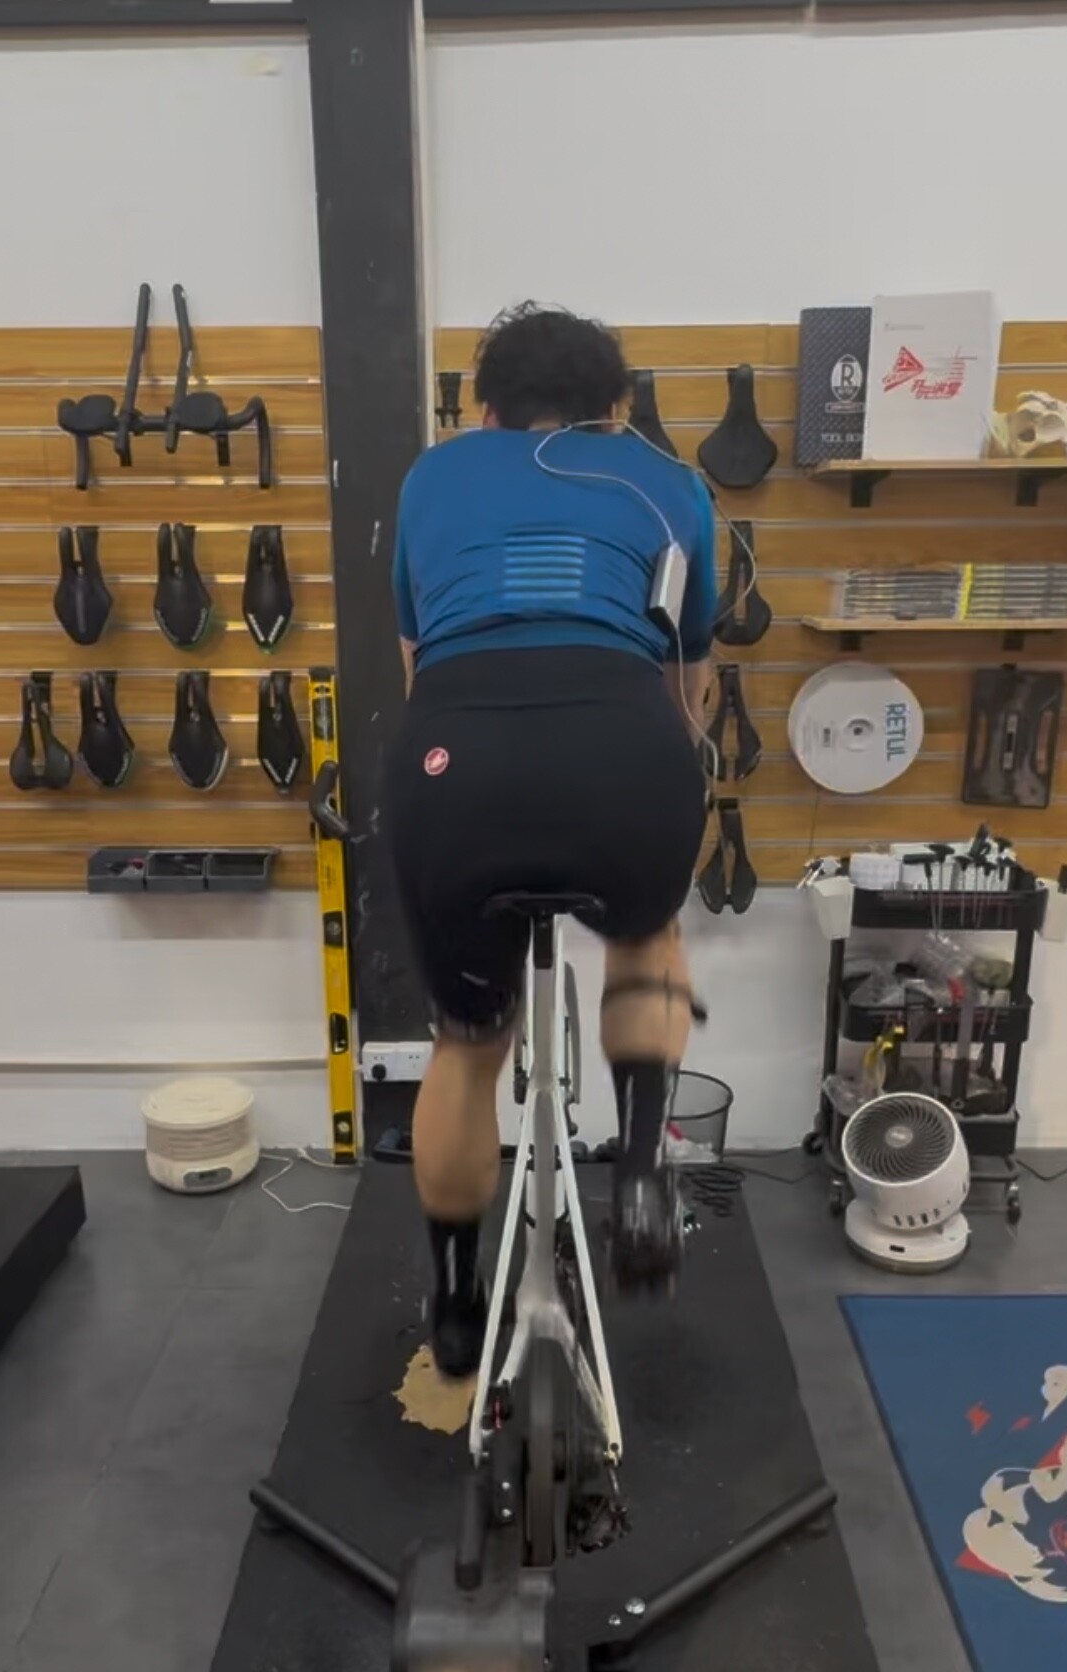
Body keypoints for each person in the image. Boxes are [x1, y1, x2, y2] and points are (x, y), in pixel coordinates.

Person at [384, 304, 716, 1378]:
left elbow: (416, 666)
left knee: (466, 1043)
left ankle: (453, 1302)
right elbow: (690, 689)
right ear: (614, 409)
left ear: (484, 408)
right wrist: (655, 784)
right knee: (647, 934)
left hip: (456, 760)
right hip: (621, 747)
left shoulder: (433, 475)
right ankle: (642, 1168)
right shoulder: (664, 481)